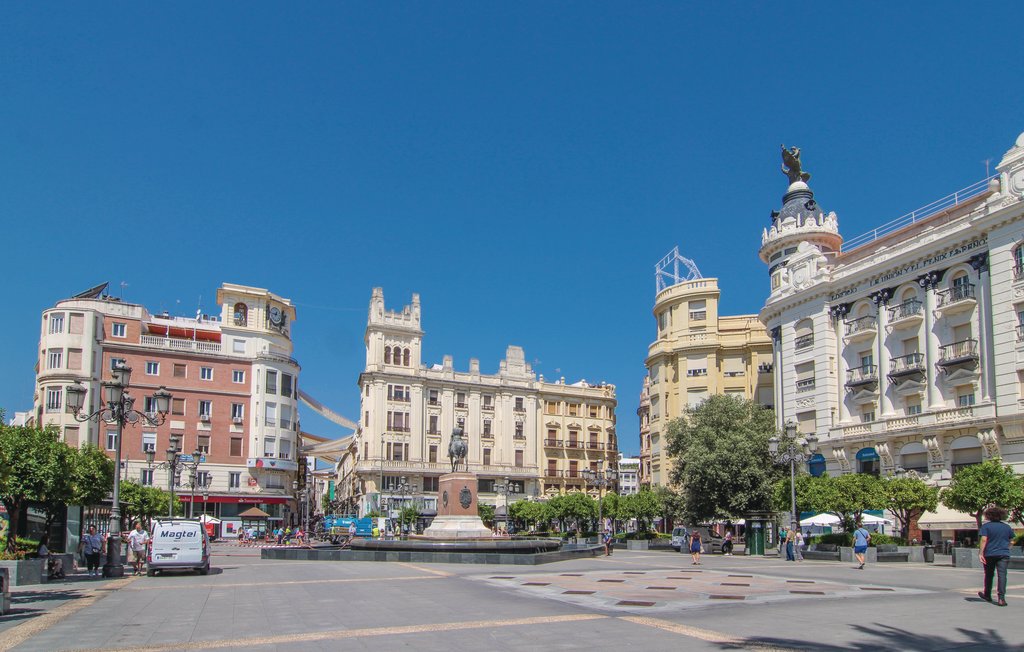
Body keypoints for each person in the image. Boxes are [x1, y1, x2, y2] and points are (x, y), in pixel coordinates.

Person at [978, 504, 1014, 607]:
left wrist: (981, 553)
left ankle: (987, 595)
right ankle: (1001, 599)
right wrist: (1007, 548)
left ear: (988, 516)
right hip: (1003, 554)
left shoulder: (986, 526)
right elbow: (1012, 541)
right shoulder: (1007, 527)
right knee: (1002, 575)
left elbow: (984, 539)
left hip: (989, 554)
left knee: (989, 574)